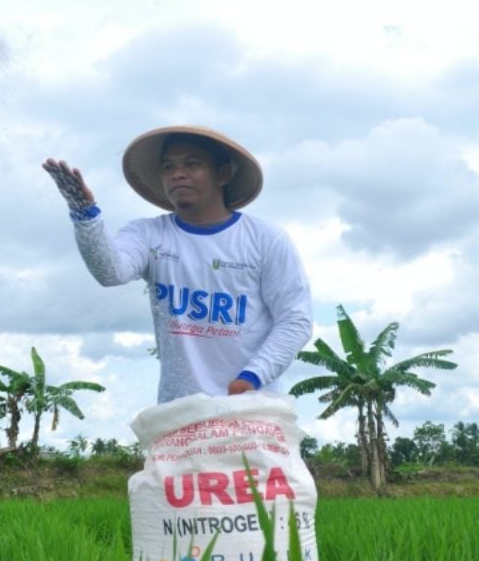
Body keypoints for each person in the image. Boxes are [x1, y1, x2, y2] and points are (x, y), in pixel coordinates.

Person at [43, 125, 312, 404]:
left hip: (251, 408)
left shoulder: (266, 239)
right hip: (177, 412)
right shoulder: (149, 235)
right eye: (168, 166)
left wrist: (252, 376)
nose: (177, 174)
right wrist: (84, 214)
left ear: (223, 173)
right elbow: (111, 272)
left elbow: (296, 319)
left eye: (192, 164)